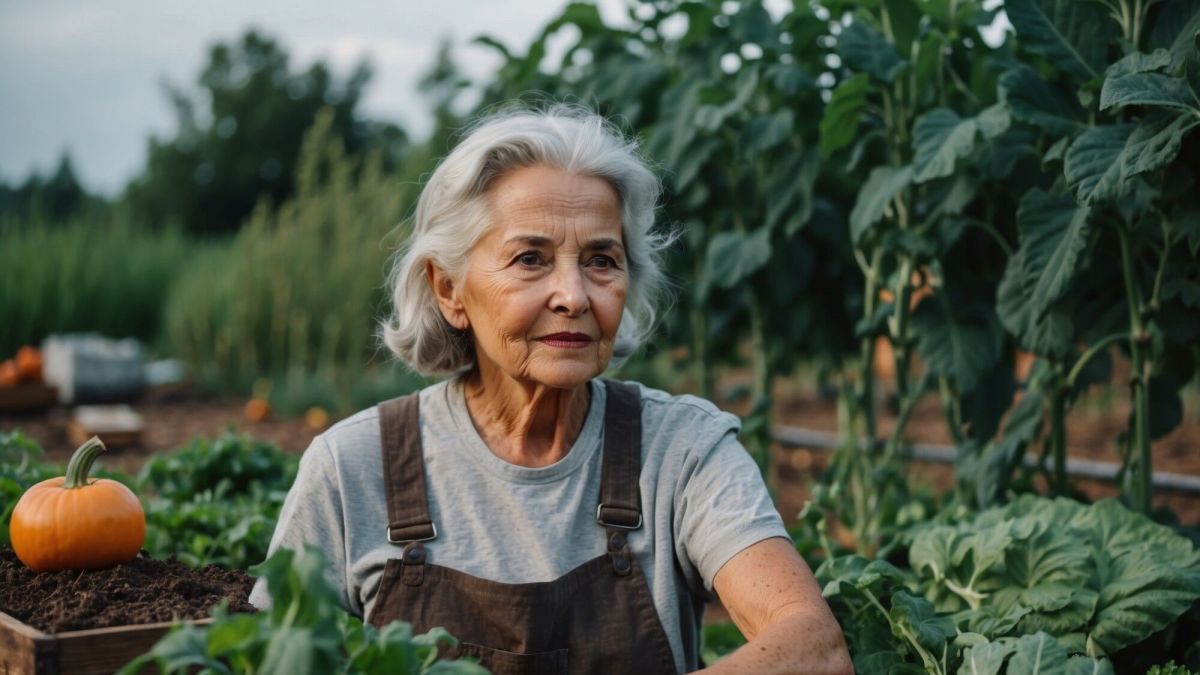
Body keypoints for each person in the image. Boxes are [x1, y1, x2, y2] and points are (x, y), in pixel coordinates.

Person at [249, 104, 852, 674]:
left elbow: (814, 649)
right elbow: (268, 658)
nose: (574, 294)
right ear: (449, 290)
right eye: (531, 258)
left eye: (601, 260)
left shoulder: (682, 452)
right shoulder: (353, 468)